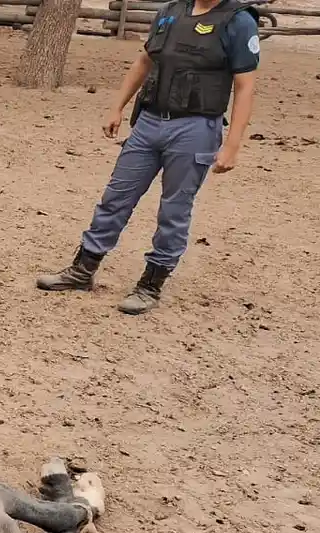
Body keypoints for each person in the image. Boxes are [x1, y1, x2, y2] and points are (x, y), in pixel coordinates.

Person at [34, 0, 260, 315]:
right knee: (116, 197)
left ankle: (150, 285)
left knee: (174, 210)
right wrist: (117, 106)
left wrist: (233, 145)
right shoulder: (170, 12)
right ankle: (82, 269)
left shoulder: (239, 22)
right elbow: (144, 61)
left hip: (195, 128)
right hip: (150, 121)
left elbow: (245, 87)